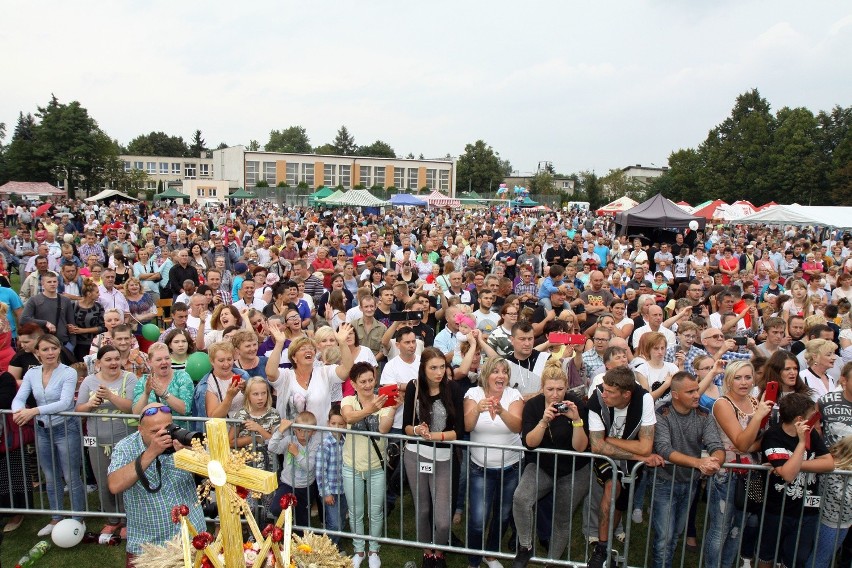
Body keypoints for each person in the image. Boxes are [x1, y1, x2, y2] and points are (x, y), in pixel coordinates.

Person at [107, 403, 206, 567]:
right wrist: (151, 452)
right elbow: (114, 485)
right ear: (140, 429)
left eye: (167, 428)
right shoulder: (126, 447)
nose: (162, 435)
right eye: (154, 432)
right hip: (148, 544)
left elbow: (214, 476)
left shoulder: (184, 439)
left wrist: (191, 456)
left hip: (191, 535)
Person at [511, 358, 589, 568]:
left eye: (560, 389)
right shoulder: (534, 406)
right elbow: (530, 442)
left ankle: (552, 563)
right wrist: (544, 421)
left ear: (567, 387)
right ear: (542, 388)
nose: (556, 395)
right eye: (550, 389)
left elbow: (581, 447)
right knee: (521, 497)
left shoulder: (576, 404)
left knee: (562, 518)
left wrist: (576, 420)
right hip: (543, 464)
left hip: (574, 469)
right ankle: (525, 546)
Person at [10, 334, 86, 536]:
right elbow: (19, 398)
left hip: (66, 429)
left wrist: (32, 411)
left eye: (54, 348)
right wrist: (18, 411)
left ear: (59, 349)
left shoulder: (68, 373)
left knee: (71, 476)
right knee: (51, 477)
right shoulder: (31, 374)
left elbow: (64, 403)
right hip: (42, 430)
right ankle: (56, 517)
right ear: (37, 353)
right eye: (45, 349)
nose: (50, 352)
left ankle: (78, 518)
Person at [586, 366, 661, 568]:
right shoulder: (597, 399)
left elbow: (646, 446)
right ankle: (601, 548)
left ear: (627, 394)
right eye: (604, 388)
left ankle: (607, 541)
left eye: (610, 392)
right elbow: (597, 446)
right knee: (612, 488)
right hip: (608, 457)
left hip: (630, 461)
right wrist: (638, 454)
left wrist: (610, 439)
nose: (605, 394)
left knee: (619, 503)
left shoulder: (644, 399)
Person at [651, 371, 725, 568]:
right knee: (663, 539)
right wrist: (699, 463)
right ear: (675, 395)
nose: (696, 394)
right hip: (664, 482)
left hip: (689, 482)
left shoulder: (703, 414)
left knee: (674, 535)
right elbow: (665, 449)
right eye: (690, 391)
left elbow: (716, 445)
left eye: (696, 390)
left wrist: (714, 462)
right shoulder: (661, 413)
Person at [704, 361, 772, 568]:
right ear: (728, 380)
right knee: (721, 528)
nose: (744, 382)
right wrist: (757, 419)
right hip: (727, 474)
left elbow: (760, 441)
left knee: (739, 527)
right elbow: (740, 442)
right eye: (738, 377)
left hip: (752, 472)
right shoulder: (723, 404)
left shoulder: (754, 401)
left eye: (748, 377)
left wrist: (751, 447)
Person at [402, 347, 465, 568]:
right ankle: (428, 553)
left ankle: (440, 551)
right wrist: (418, 430)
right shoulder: (414, 387)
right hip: (415, 455)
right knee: (422, 509)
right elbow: (405, 428)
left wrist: (435, 436)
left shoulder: (454, 389)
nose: (439, 372)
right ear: (423, 368)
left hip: (444, 457)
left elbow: (459, 431)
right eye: (433, 368)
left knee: (442, 519)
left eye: (441, 367)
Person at [758, 393, 834, 568]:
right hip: (777, 509)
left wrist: (792, 464)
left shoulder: (811, 434)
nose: (814, 420)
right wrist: (800, 444)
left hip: (807, 512)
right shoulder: (773, 436)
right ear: (800, 419)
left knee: (796, 559)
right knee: (766, 555)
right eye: (811, 416)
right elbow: (788, 475)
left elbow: (829, 463)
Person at [463, 356, 524, 568]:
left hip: (511, 467)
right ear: (486, 375)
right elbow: (468, 426)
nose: (501, 376)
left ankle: (490, 554)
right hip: (480, 468)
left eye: (504, 371)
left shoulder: (513, 394)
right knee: (479, 519)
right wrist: (478, 409)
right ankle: (473, 561)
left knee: (504, 514)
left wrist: (501, 411)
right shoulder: (473, 394)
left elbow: (517, 426)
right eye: (496, 371)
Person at [76, 345, 137, 536]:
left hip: (124, 439)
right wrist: (90, 404)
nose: (113, 363)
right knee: (103, 479)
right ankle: (112, 519)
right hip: (96, 439)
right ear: (98, 363)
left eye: (116, 359)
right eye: (108, 359)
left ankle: (129, 519)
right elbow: (78, 410)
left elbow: (132, 408)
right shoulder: (89, 381)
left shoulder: (129, 378)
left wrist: (110, 396)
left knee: (126, 480)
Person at [341, 361, 396, 568]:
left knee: (375, 511)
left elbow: (383, 429)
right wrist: (370, 409)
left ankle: (373, 550)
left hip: (376, 467)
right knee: (355, 511)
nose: (367, 385)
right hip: (351, 466)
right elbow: (347, 416)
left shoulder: (383, 401)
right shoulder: (349, 400)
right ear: (354, 384)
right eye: (362, 381)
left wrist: (391, 409)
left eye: (370, 380)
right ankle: (358, 549)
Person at [266, 322, 354, 426]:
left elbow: (347, 368)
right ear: (294, 357)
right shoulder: (286, 376)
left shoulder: (325, 372)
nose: (308, 351)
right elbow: (270, 373)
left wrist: (342, 343)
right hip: (289, 438)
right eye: (303, 349)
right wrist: (279, 344)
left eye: (311, 349)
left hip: (319, 436)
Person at [810, 362, 852, 567]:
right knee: (827, 546)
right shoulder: (826, 402)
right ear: (843, 380)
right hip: (835, 483)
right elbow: (814, 433)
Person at [268, 410, 321, 529]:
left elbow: (309, 467)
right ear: (294, 429)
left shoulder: (315, 444)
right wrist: (280, 430)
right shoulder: (289, 440)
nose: (302, 434)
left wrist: (296, 453)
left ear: (313, 431)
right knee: (276, 508)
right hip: (287, 483)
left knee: (302, 521)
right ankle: (287, 523)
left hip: (305, 487)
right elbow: (272, 447)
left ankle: (299, 542)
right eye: (299, 430)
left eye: (307, 431)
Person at [132, 343, 193, 423]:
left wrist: (165, 394)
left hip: (179, 432)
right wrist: (146, 394)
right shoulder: (143, 381)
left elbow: (186, 409)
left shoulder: (182, 377)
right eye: (159, 360)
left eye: (167, 358)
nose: (164, 362)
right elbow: (136, 415)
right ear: (150, 362)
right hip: (153, 432)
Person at [20, 270, 76, 349]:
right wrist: (45, 323)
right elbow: (23, 319)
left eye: (54, 281)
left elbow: (71, 323)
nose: (52, 284)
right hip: (43, 343)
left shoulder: (65, 300)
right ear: (43, 284)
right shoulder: (34, 300)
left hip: (64, 343)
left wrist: (72, 344)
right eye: (49, 282)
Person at [316, 408, 347, 546]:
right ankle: (329, 547)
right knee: (334, 523)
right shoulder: (325, 444)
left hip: (344, 490)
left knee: (341, 519)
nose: (337, 427)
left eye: (340, 424)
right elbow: (320, 471)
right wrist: (326, 493)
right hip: (331, 491)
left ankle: (335, 544)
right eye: (333, 423)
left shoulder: (346, 441)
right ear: (328, 423)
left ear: (345, 424)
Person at [70, 277, 105, 361]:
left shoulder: (98, 307)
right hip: (76, 344)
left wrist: (82, 331)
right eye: (97, 292)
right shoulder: (74, 305)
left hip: (93, 344)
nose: (99, 294)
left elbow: (102, 327)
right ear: (89, 294)